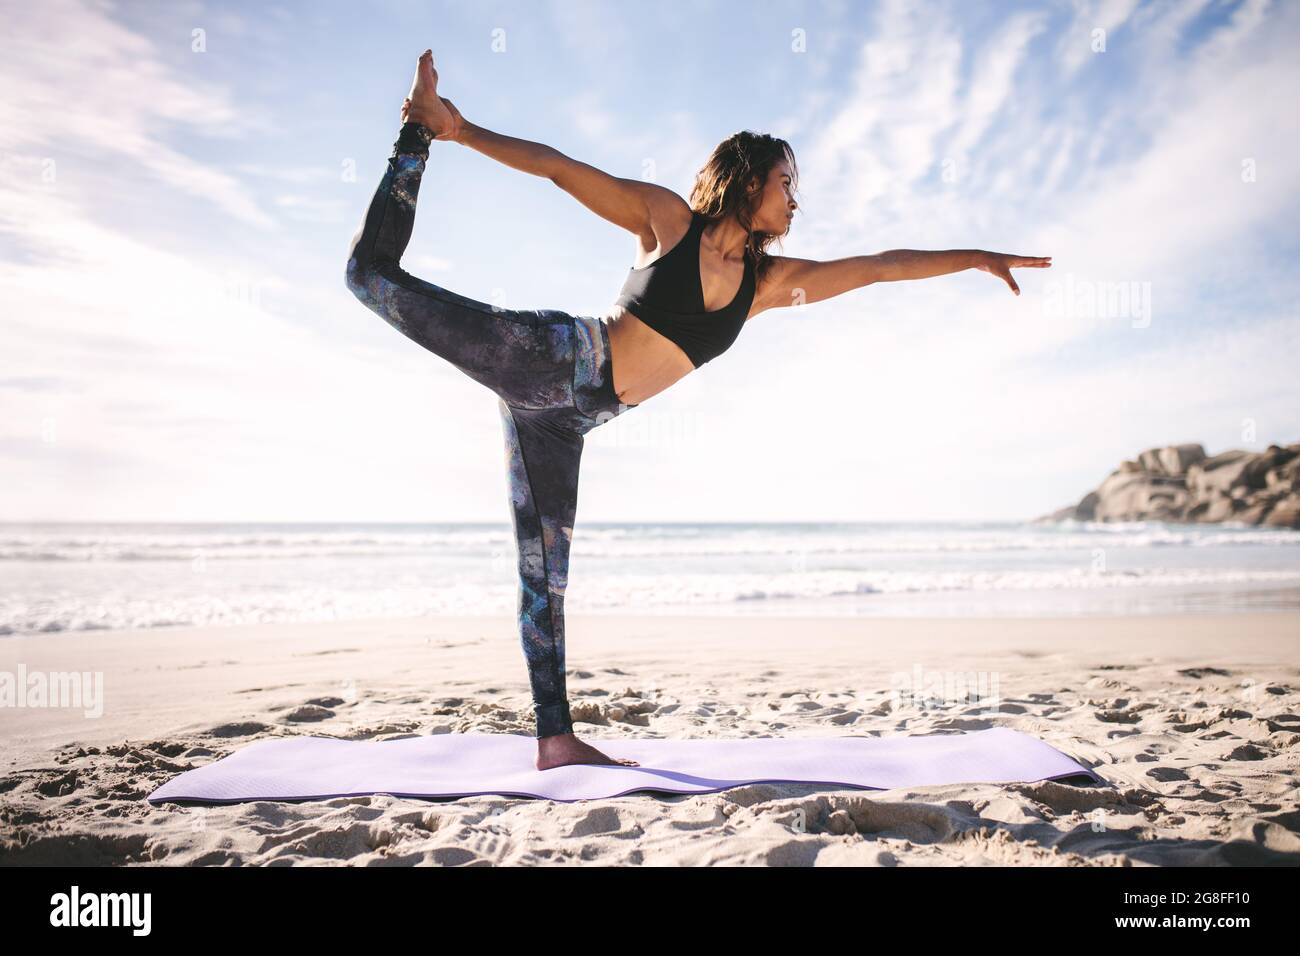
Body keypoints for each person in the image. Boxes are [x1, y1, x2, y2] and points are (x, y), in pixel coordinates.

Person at [345, 50, 1051, 770]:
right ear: (750, 180)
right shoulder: (666, 222)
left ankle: (555, 742)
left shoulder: (769, 283)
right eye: (786, 183)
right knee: (370, 277)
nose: (794, 201)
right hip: (552, 356)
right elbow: (560, 167)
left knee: (544, 581)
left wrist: (975, 256)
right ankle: (416, 135)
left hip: (563, 424)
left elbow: (877, 267)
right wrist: (458, 131)